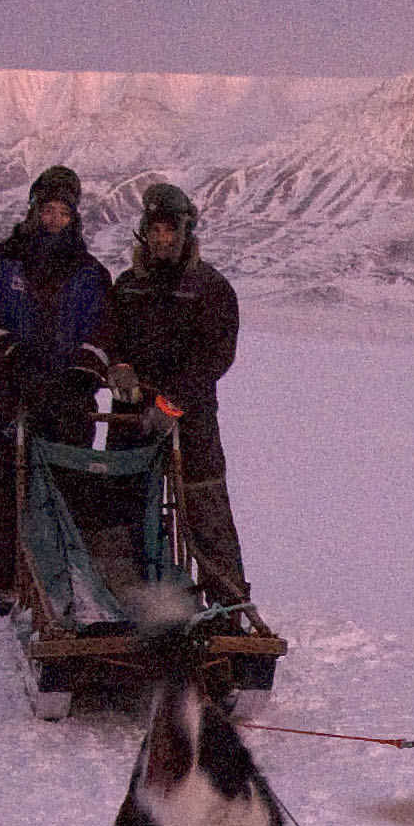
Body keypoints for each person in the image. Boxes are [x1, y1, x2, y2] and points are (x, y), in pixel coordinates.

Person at [0, 165, 113, 609]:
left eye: (62, 212)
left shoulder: (90, 274)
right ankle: (8, 589)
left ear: (75, 217)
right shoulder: (0, 262)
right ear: (32, 210)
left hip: (68, 400)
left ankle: (61, 588)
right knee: (5, 496)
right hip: (9, 393)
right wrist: (9, 352)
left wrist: (85, 370)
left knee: (67, 495)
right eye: (46, 209)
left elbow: (105, 330)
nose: (53, 218)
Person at [104, 180, 252, 608]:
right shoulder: (127, 286)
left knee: (205, 510)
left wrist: (173, 403)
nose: (163, 239)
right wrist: (120, 367)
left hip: (192, 417)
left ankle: (228, 608)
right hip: (130, 415)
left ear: (186, 232)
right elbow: (110, 337)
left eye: (171, 230)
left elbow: (216, 354)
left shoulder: (210, 288)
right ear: (143, 233)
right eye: (156, 230)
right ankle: (123, 602)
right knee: (122, 507)